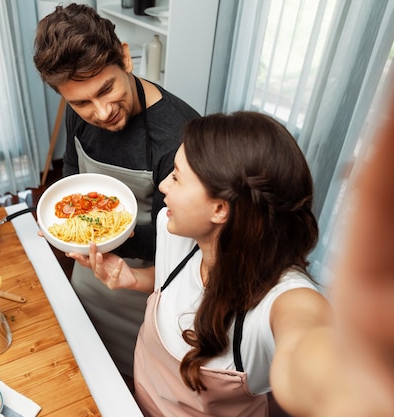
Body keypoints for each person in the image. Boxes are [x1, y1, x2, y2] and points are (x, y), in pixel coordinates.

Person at [70, 111, 331, 416]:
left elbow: (309, 333)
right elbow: (177, 284)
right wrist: (133, 278)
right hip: (142, 402)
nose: (164, 185)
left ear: (220, 209)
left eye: (177, 177)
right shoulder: (174, 229)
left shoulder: (283, 299)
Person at [33, 3, 199, 380]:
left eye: (106, 89)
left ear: (125, 57)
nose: (101, 111)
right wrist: (72, 226)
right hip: (89, 274)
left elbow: (172, 244)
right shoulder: (80, 105)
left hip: (144, 289)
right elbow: (72, 173)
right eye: (80, 102)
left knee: (133, 384)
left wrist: (94, 235)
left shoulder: (178, 137)